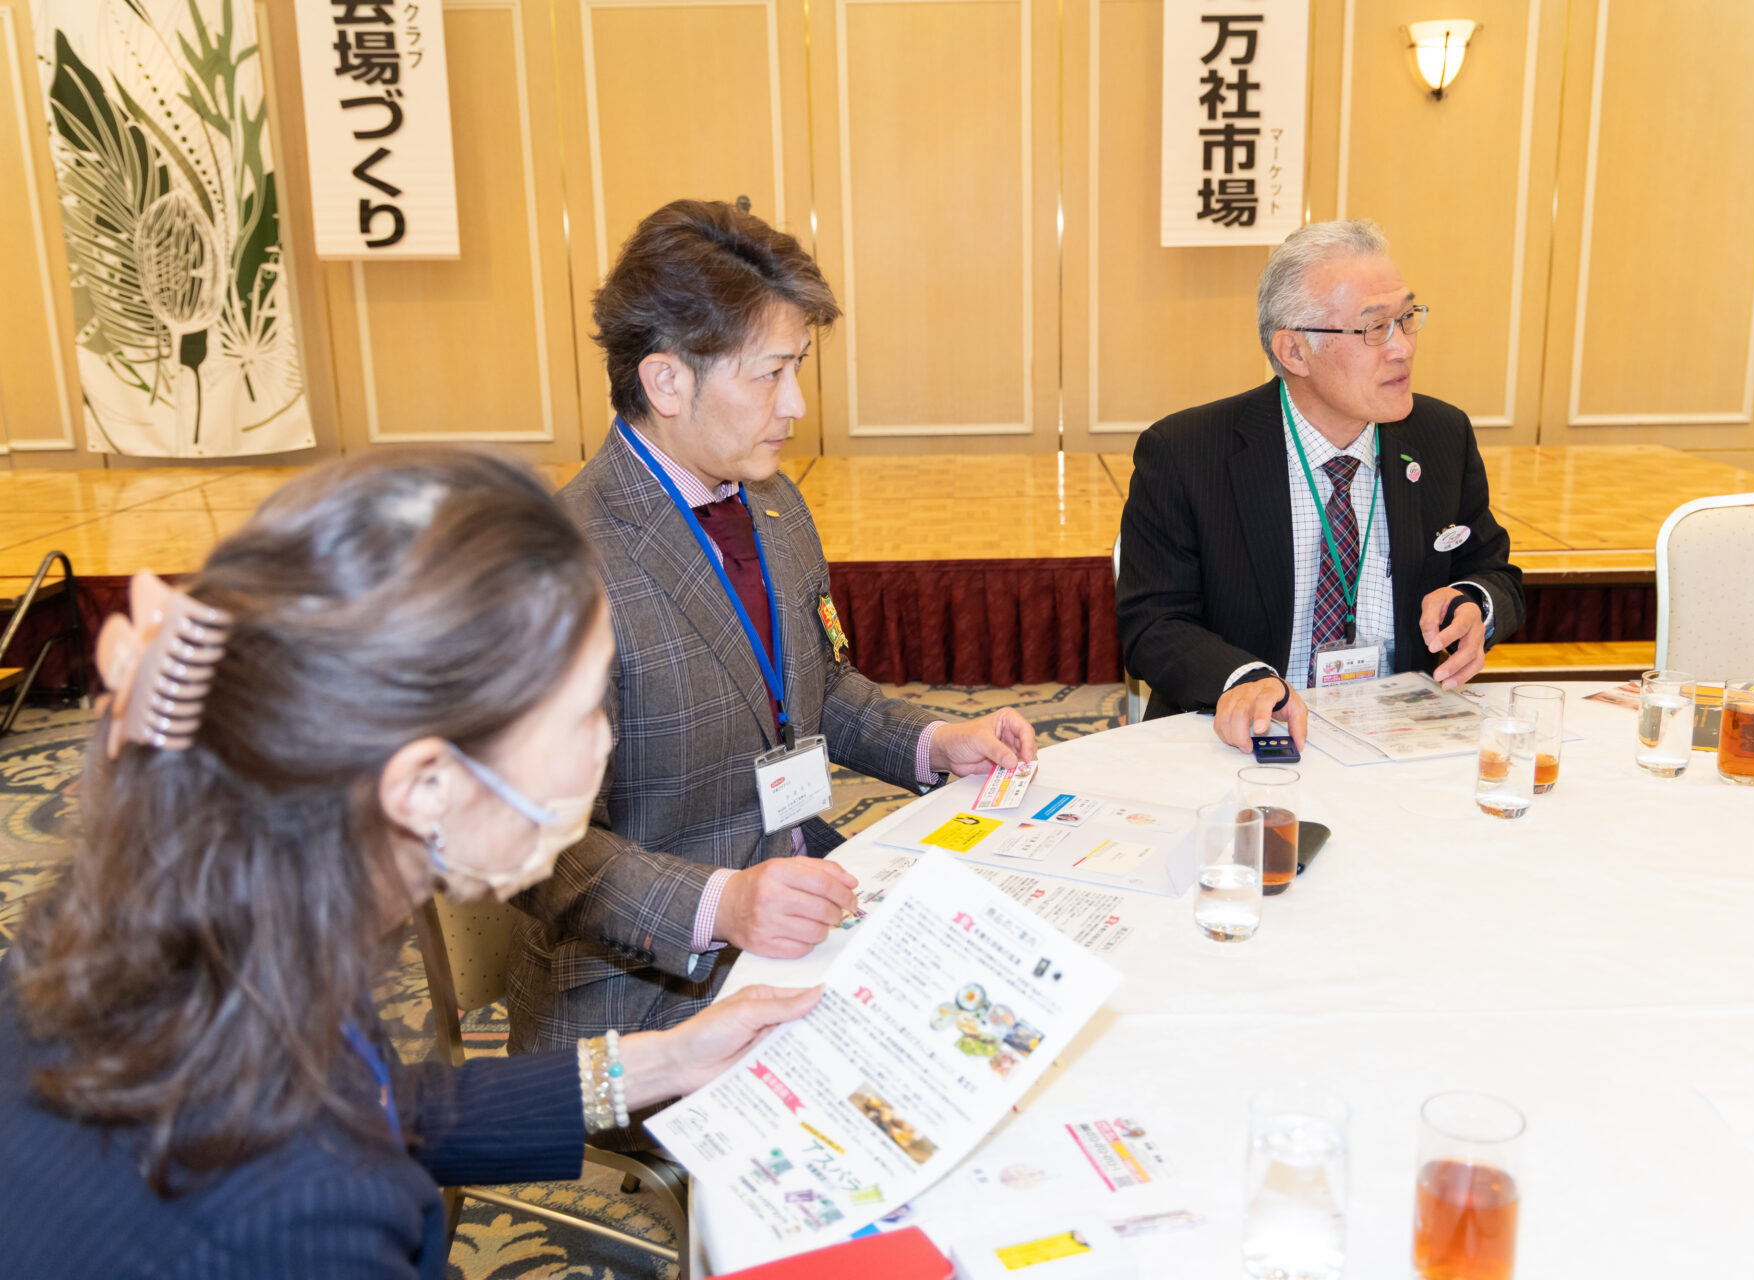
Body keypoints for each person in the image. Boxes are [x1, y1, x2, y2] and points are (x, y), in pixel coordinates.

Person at [0, 449, 820, 1278]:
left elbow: (379, 1101)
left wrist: (668, 1058)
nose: (606, 742)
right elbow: (337, 1142)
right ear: (426, 784)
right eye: (583, 715)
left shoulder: (210, 911)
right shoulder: (303, 1214)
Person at [506, 200, 1037, 1054]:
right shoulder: (556, 567)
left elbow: (813, 689)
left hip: (800, 896)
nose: (795, 405)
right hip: (646, 989)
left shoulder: (774, 503)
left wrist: (936, 741)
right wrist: (724, 904)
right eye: (769, 374)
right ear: (666, 382)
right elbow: (537, 846)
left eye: (800, 367)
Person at [1116, 219, 1524, 752]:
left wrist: (1474, 604)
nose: (1402, 347)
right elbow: (1153, 622)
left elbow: (1493, 572)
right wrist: (1245, 679)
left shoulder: (1441, 436)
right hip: (1251, 738)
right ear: (1294, 352)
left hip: (1399, 736)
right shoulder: (1187, 452)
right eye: (1375, 328)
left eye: (1407, 318)